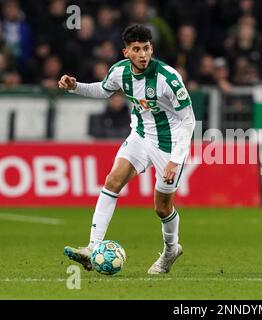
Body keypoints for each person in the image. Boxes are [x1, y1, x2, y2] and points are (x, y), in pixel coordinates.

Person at [58, 24, 195, 274]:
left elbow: (188, 120)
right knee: (112, 180)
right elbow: (103, 89)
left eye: (146, 48)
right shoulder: (119, 72)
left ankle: (171, 250)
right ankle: (92, 247)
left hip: (169, 143)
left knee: (162, 207)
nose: (143, 54)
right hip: (140, 136)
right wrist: (75, 86)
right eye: (136, 49)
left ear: (151, 49)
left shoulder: (168, 78)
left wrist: (175, 160)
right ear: (126, 53)